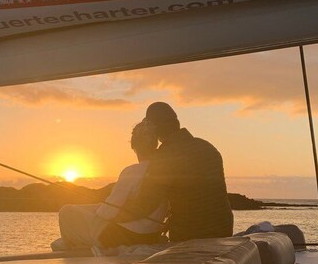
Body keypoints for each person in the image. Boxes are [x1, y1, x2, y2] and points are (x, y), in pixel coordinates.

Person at [55, 121, 168, 250]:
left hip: (122, 236)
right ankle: (74, 242)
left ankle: (73, 249)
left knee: (66, 211)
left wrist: (97, 213)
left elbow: (108, 212)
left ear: (134, 146)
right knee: (87, 210)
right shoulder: (163, 172)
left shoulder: (132, 172)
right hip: (150, 234)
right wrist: (96, 210)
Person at [144, 101, 233, 241]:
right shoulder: (206, 147)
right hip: (223, 228)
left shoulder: (164, 155)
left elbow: (148, 200)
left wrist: (145, 150)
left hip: (190, 233)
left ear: (153, 128)